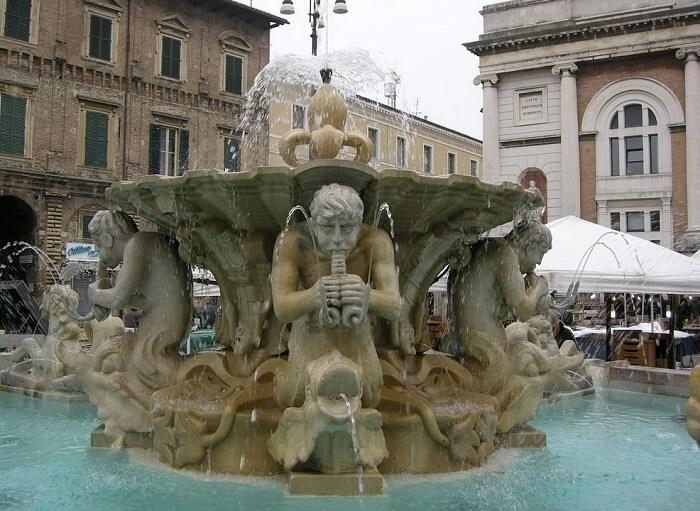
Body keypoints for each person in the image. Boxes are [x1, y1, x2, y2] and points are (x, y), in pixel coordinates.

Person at [271, 183, 400, 408]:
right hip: (311, 335)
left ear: (359, 225)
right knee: (299, 396)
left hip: (357, 338)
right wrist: (312, 297)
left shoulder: (375, 241)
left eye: (348, 228)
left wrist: (366, 296)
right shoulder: (292, 241)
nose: (338, 238)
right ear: (313, 223)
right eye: (328, 228)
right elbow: (281, 307)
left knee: (369, 397)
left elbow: (394, 306)